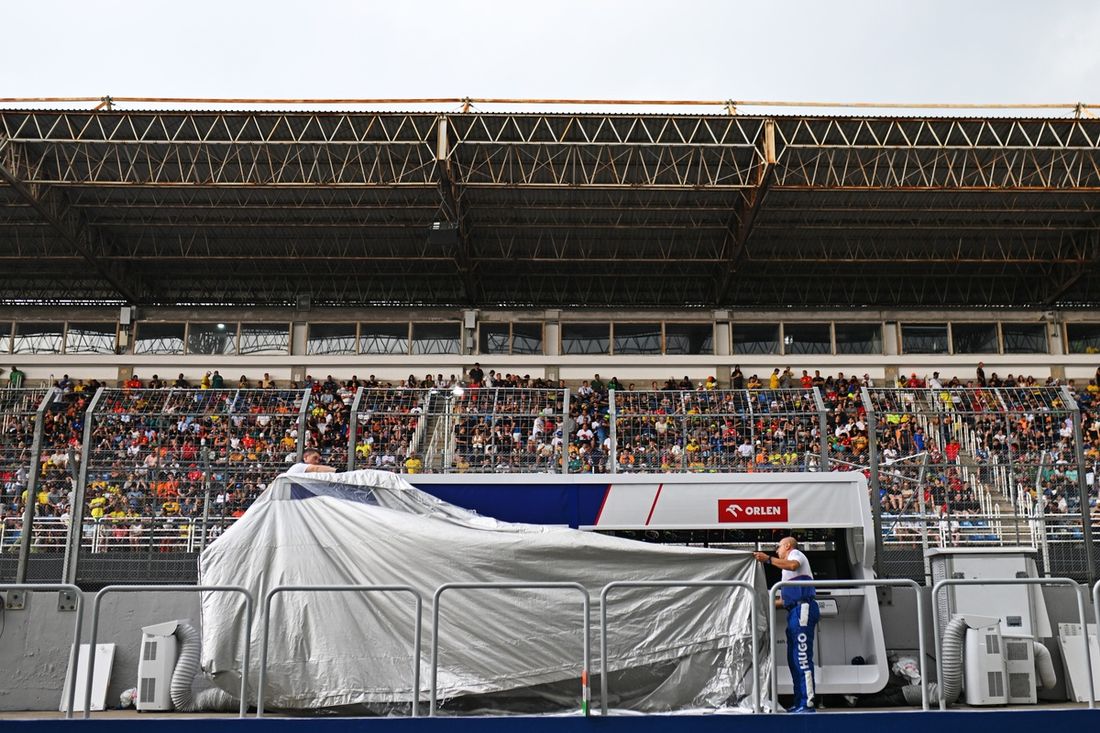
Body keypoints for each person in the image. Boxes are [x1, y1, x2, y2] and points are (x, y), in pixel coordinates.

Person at [754, 537, 819, 713]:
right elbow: (784, 600)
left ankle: (807, 703)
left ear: (788, 546)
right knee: (794, 659)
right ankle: (799, 702)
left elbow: (792, 565)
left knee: (802, 658)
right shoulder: (788, 574)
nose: (776, 551)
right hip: (794, 612)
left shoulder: (795, 555)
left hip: (802, 610)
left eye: (778, 547)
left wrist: (768, 559)